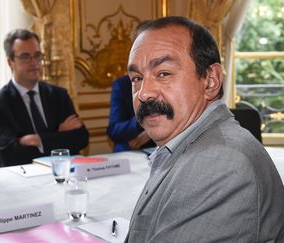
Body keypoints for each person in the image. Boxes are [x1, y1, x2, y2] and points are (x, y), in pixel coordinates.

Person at [125, 16, 284, 242]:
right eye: (137, 78)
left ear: (210, 81)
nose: (143, 93)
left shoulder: (220, 162)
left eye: (163, 73)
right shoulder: (190, 143)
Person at [0, 29, 89, 167]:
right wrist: (58, 134)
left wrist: (37, 140)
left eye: (37, 55)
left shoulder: (58, 95)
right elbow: (10, 154)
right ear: (10, 62)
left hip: (60, 172)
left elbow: (81, 139)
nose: (34, 63)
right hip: (18, 178)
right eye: (25, 57)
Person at [108, 21, 156, 152]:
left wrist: (150, 132)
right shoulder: (122, 85)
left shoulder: (171, 79)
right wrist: (145, 118)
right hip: (132, 153)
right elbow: (114, 131)